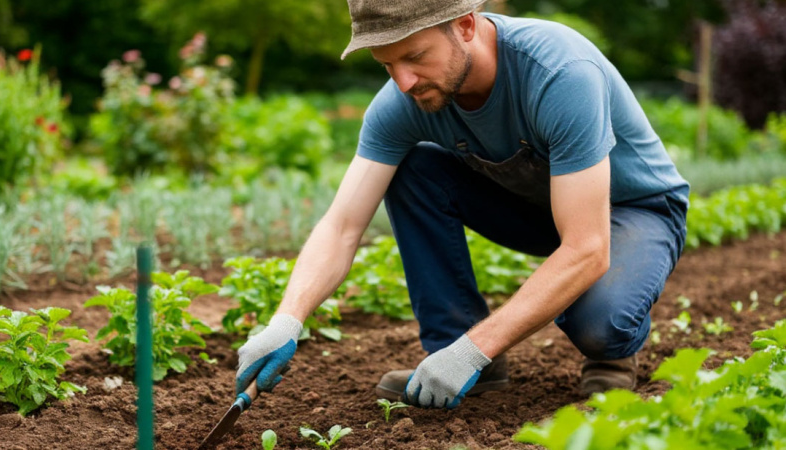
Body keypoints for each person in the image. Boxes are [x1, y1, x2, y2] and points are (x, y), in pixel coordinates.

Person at [234, 0, 690, 409]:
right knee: (412, 169)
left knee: (599, 325)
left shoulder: (559, 74)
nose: (404, 81)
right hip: (533, 207)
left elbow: (587, 247)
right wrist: (286, 321)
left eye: (415, 56)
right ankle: (454, 350)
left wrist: (474, 349)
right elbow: (342, 226)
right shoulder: (404, 101)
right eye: (387, 64)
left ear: (466, 25)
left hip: (634, 209)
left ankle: (610, 354)